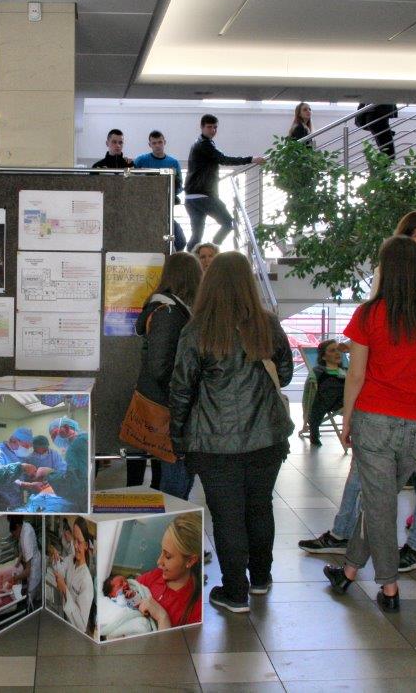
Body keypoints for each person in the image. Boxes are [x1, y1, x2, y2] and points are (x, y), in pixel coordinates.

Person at [299, 211, 416, 568]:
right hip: (394, 401)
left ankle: (405, 554)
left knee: (408, 482)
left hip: (414, 399)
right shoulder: (400, 294)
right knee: (372, 486)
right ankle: (347, 543)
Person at [324, 236, 416, 613]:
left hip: (375, 420)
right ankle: (349, 570)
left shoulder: (369, 314)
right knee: (379, 501)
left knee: (380, 505)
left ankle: (390, 586)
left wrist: (347, 420)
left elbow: (356, 374)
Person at [169, 251, 293, 613]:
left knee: (227, 517)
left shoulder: (197, 331)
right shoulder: (268, 325)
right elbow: (285, 375)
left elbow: (181, 390)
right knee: (260, 507)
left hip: (214, 442)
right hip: (267, 438)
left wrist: (178, 438)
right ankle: (261, 579)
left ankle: (235, 592)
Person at [133, 251, 202, 498]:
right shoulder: (169, 313)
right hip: (169, 407)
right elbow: (160, 367)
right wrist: (185, 389)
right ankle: (172, 520)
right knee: (175, 480)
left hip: (165, 404)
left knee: (174, 476)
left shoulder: (170, 309)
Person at [183, 114, 264, 251]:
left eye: (215, 127)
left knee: (197, 236)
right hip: (203, 195)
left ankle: (189, 260)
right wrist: (251, 159)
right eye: (209, 127)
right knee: (227, 223)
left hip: (191, 197)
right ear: (202, 127)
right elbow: (224, 159)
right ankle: (212, 252)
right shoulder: (204, 144)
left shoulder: (199, 144)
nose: (213, 130)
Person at [134, 513, 203, 630]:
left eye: (168, 556)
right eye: (162, 551)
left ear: (190, 561)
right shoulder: (154, 576)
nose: (158, 561)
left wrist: (163, 618)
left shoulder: (196, 610)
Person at [134, 130, 187, 252]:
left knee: (180, 240)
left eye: (160, 142)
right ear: (150, 145)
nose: (157, 145)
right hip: (145, 206)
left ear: (164, 142)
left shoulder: (173, 162)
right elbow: (131, 180)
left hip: (165, 206)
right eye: (154, 143)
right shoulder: (141, 160)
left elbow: (179, 186)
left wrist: (168, 192)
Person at [50, 516, 95, 633]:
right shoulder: (71, 559)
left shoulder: (86, 581)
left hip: (74, 631)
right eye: (74, 540)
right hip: (64, 619)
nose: (75, 545)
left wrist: (65, 590)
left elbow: (81, 625)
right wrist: (56, 558)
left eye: (79, 542)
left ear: (86, 545)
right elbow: (60, 570)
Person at [301, 338, 348, 446]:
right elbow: (311, 390)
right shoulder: (318, 371)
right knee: (330, 383)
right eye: (332, 350)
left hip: (347, 400)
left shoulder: (347, 370)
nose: (337, 353)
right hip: (328, 401)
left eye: (338, 350)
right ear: (323, 356)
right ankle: (314, 428)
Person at [41, 417, 89, 511]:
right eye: (52, 437)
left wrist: (50, 474)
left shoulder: (75, 447)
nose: (54, 440)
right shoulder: (85, 438)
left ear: (66, 428)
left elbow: (75, 486)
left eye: (54, 435)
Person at [0, 427, 36, 510]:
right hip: (1, 499)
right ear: (14, 441)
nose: (28, 449)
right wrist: (25, 484)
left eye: (29, 446)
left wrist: (33, 477)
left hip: (16, 498)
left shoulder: (18, 453)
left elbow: (22, 473)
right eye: (26, 446)